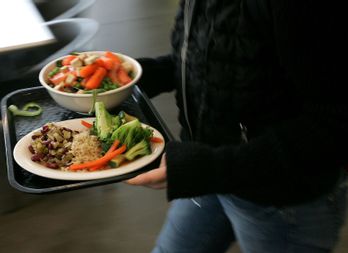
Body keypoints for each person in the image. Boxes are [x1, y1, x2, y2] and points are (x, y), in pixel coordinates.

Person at [127, 0, 348, 252]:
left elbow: (335, 123)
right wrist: (136, 78)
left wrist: (212, 168)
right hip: (210, 169)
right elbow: (221, 55)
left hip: (283, 203)